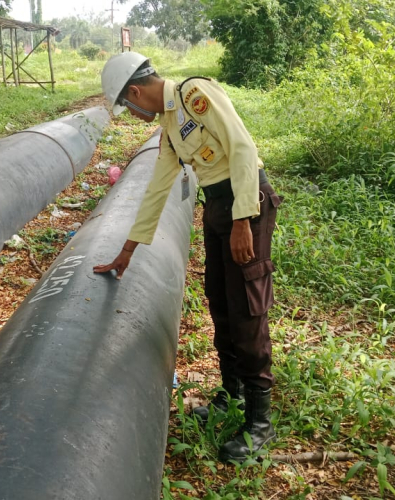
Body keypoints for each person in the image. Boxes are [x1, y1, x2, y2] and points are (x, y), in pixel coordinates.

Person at [94, 52, 283, 463]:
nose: (131, 114)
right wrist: (125, 252)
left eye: (127, 106)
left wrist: (242, 220)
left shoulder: (194, 94)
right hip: (217, 207)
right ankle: (231, 391)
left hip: (245, 204)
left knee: (247, 309)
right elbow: (156, 191)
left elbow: (244, 150)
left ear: (135, 91)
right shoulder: (169, 126)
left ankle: (259, 421)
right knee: (220, 301)